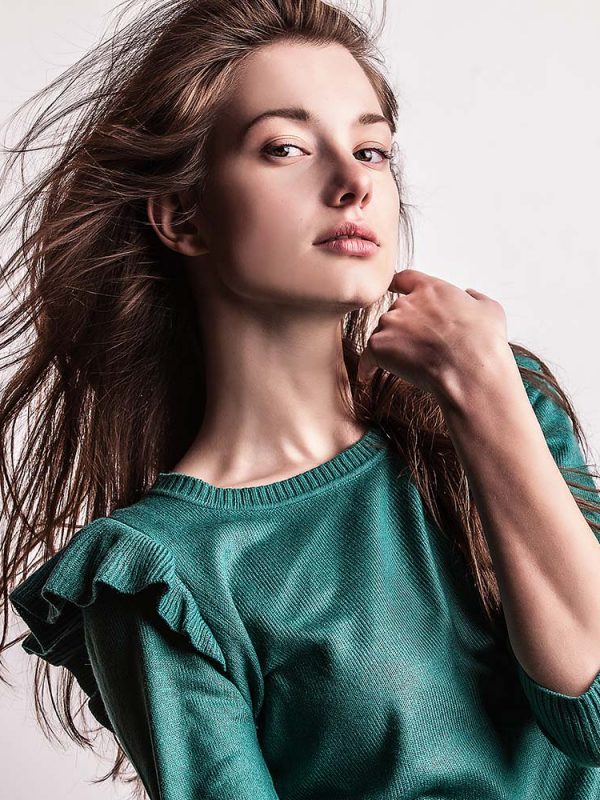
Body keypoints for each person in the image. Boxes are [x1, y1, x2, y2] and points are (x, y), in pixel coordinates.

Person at [2, 1, 600, 798]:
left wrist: (484, 393)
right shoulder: (158, 578)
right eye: (284, 147)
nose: (354, 184)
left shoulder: (495, 397)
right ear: (183, 216)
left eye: (372, 150)